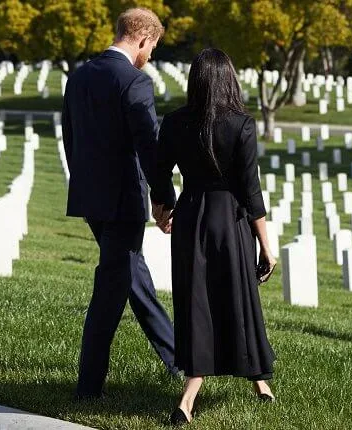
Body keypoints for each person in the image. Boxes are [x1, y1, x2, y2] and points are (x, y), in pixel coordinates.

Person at [150, 48, 278, 425]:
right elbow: (251, 191)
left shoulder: (175, 123)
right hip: (231, 222)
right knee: (238, 299)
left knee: (197, 302)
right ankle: (250, 380)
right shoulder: (241, 125)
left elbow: (158, 170)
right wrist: (267, 248)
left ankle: (196, 393)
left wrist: (164, 207)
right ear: (229, 80)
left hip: (191, 217)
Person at [61, 8, 179, 399]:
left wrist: (84, 186)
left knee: (134, 279)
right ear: (142, 39)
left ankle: (178, 358)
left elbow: (70, 138)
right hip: (122, 202)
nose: (152, 57)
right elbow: (149, 146)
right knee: (110, 293)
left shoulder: (78, 77)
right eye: (153, 48)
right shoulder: (134, 82)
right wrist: (165, 198)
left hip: (91, 200)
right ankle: (88, 387)